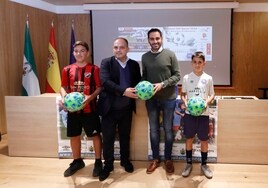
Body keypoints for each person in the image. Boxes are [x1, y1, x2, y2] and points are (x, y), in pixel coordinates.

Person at [97, 37, 141, 181]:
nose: (118, 50)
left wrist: (141, 91)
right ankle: (108, 165)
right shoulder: (106, 62)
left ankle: (125, 160)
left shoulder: (134, 65)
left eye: (122, 47)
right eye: (116, 47)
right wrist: (124, 91)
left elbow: (138, 83)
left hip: (127, 108)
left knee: (125, 136)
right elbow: (105, 82)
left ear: (127, 49)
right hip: (109, 108)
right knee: (108, 138)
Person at [60, 41, 103, 177]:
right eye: (76, 51)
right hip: (73, 111)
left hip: (90, 109)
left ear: (88, 53)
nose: (79, 53)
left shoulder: (94, 69)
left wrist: (89, 98)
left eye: (82, 50)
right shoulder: (67, 69)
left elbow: (99, 87)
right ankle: (77, 161)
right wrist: (65, 98)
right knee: (74, 135)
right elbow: (63, 87)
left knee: (95, 135)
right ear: (73, 53)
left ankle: (97, 162)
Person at [141, 28, 181, 175]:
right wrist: (141, 87)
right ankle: (155, 159)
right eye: (152, 39)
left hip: (169, 98)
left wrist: (162, 84)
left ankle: (168, 159)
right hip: (151, 100)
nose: (155, 41)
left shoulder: (170, 54)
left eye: (157, 38)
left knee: (168, 130)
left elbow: (177, 76)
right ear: (148, 40)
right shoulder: (144, 57)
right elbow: (144, 76)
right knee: (153, 130)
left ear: (162, 38)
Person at [180, 51, 215, 179]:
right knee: (189, 138)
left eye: (200, 62)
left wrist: (206, 102)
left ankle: (204, 165)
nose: (197, 64)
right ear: (191, 63)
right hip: (190, 114)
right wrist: (186, 103)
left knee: (204, 140)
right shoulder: (186, 78)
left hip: (203, 114)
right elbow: (183, 94)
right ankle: (188, 163)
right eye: (195, 62)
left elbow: (212, 94)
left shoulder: (208, 78)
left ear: (204, 63)